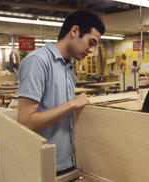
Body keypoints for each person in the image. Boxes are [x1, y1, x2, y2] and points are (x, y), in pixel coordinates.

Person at [18, 10, 105, 175]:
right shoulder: (38, 62)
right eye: (91, 42)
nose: (92, 50)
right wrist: (72, 104)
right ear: (74, 32)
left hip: (68, 162)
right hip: (44, 165)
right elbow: (25, 122)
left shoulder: (69, 65)